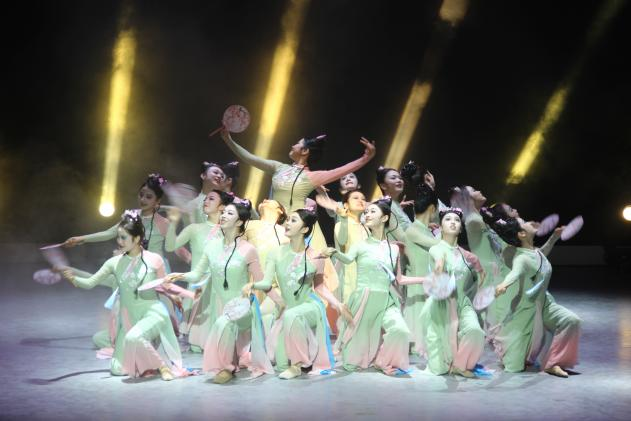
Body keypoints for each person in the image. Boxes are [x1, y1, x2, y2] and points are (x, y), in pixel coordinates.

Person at [62, 210, 194, 380]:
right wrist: (73, 279)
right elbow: (90, 283)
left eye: (124, 237)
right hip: (128, 319)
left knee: (134, 337)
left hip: (152, 313)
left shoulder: (154, 259)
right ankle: (146, 361)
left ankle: (162, 366)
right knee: (117, 369)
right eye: (118, 237)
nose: (119, 241)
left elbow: (164, 285)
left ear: (137, 238)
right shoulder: (114, 262)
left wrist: (185, 295)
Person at [170, 200, 272, 383]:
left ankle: (226, 368)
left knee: (223, 324)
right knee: (223, 324)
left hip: (242, 306)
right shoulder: (212, 246)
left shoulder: (248, 249)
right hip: (219, 304)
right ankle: (230, 363)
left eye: (230, 213)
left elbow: (262, 282)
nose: (223, 215)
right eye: (223, 212)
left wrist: (259, 290)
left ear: (239, 222)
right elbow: (196, 274)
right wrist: (179, 276)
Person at [244, 207, 353, 379]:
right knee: (280, 363)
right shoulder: (276, 252)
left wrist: (337, 304)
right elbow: (266, 283)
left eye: (293, 220)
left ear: (304, 229)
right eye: (288, 219)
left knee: (292, 315)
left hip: (310, 306)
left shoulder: (316, 256)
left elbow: (319, 287)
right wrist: (253, 285)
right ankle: (295, 360)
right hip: (288, 309)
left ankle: (297, 365)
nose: (287, 223)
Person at [321, 197, 425, 375]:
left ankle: (383, 361)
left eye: (372, 212)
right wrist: (334, 252)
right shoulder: (360, 245)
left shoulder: (394, 249)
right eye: (367, 212)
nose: (367, 214)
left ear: (384, 218)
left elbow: (399, 279)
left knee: (400, 330)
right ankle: (363, 357)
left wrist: (425, 279)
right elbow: (347, 259)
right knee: (352, 360)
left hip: (386, 300)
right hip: (365, 298)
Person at [491, 216, 581, 377]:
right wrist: (504, 284)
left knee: (572, 321)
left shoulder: (533, 252)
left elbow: (541, 256)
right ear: (522, 234)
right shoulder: (521, 258)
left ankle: (553, 363)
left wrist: (554, 237)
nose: (529, 221)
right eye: (524, 222)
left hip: (545, 303)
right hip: (527, 309)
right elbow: (516, 272)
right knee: (514, 366)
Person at [420, 208, 486, 378]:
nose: (452, 222)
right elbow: (439, 259)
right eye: (448, 219)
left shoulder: (465, 254)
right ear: (441, 226)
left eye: (456, 220)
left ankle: (460, 365)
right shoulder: (436, 249)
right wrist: (439, 269)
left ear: (461, 228)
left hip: (462, 302)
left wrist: (480, 276)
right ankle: (447, 360)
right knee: (439, 368)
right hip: (441, 304)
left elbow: (480, 273)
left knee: (475, 331)